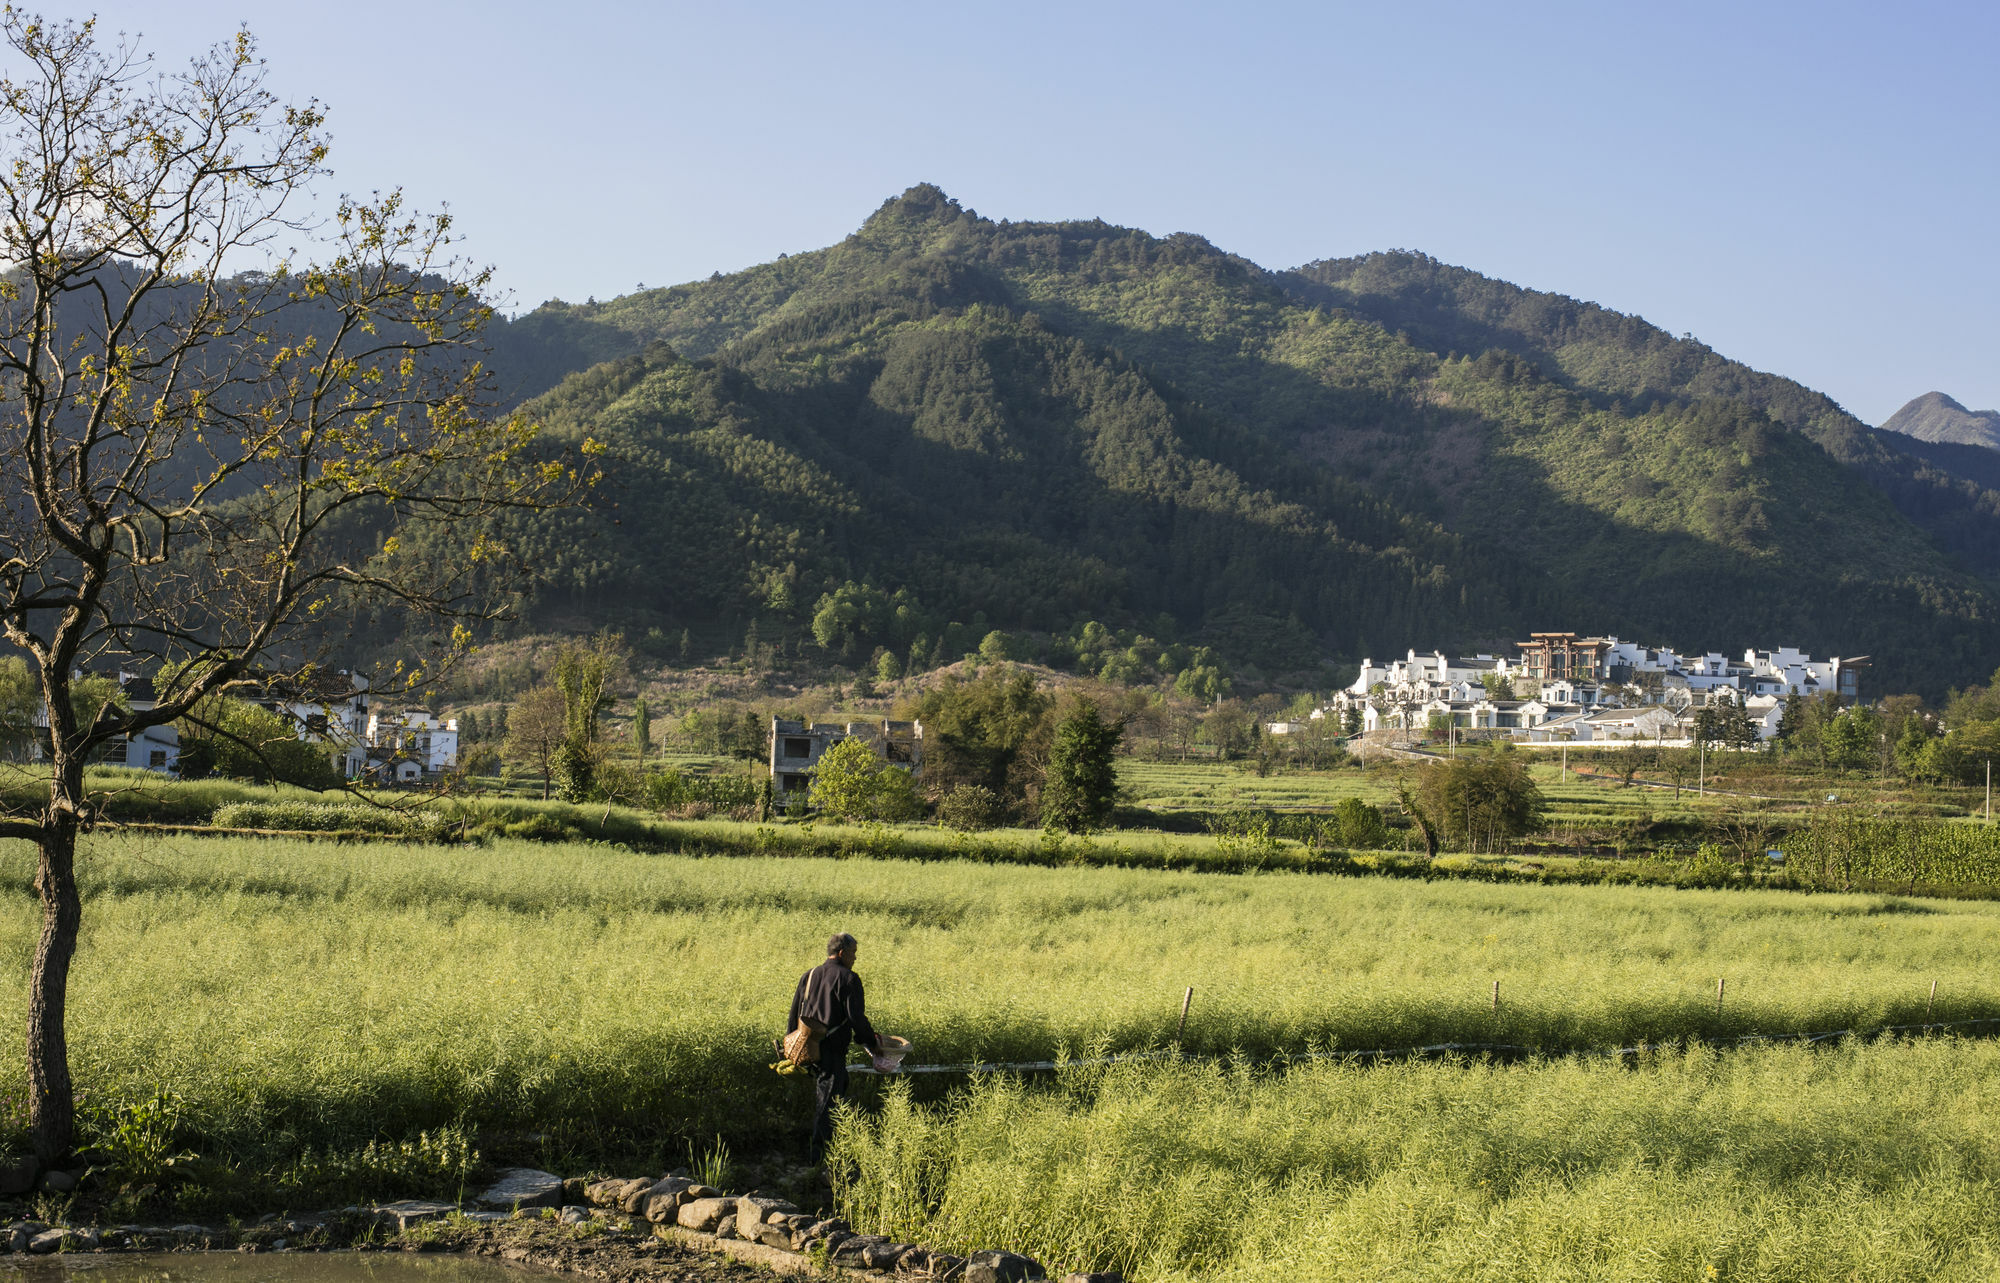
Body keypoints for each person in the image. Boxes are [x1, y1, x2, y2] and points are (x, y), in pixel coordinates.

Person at [787, 931, 879, 1159]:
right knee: (828, 1103)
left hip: (807, 1048)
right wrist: (872, 1042)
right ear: (841, 953)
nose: (855, 958)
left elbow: (795, 1013)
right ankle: (818, 1159)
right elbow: (856, 1018)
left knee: (833, 1095)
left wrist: (790, 1042)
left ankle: (830, 1150)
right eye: (853, 953)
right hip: (832, 1051)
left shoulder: (809, 975)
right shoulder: (849, 979)